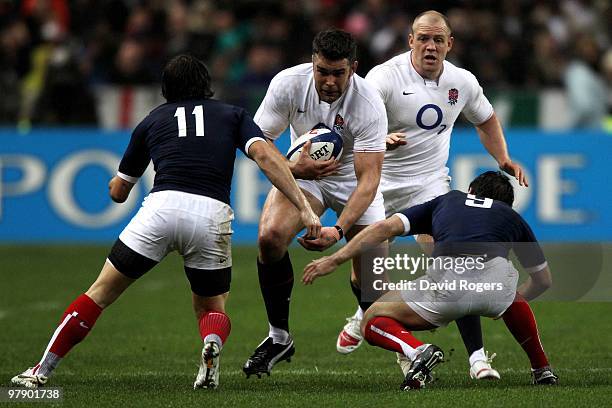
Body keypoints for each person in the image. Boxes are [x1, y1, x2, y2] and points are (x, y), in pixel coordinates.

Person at [11, 54, 321, 390]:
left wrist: (116, 184)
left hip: (160, 209)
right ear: (206, 85)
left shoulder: (152, 120)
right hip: (211, 215)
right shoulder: (234, 115)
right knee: (211, 308)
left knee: (99, 294)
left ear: (165, 89)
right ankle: (211, 343)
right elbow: (264, 156)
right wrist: (303, 206)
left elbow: (119, 191)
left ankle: (40, 370)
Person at [336, 10, 551, 383]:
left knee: (456, 265)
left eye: (437, 39)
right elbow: (351, 123)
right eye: (423, 38)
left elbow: (485, 119)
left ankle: (478, 359)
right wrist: (378, 139)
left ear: (449, 44)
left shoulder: (462, 82)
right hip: (379, 182)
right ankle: (367, 319)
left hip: (429, 183)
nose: (430, 46)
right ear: (410, 41)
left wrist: (502, 158)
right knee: (371, 274)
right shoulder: (384, 77)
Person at [303, 171, 556, 390]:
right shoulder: (511, 217)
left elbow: (382, 229)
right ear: (506, 204)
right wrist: (502, 306)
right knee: (509, 292)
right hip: (495, 284)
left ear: (470, 190)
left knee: (372, 318)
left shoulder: (449, 200)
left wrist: (334, 259)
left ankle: (416, 351)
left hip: (446, 288)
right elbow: (543, 280)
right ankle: (542, 368)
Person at [242, 28, 388, 378]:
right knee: (270, 237)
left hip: (352, 179)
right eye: (322, 71)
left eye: (338, 73)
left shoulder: (368, 102)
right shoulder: (288, 84)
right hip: (303, 174)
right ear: (312, 62)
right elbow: (258, 144)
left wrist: (337, 231)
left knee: (373, 281)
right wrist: (294, 167)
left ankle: (384, 333)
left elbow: (369, 180)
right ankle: (278, 337)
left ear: (353, 67)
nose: (329, 81)